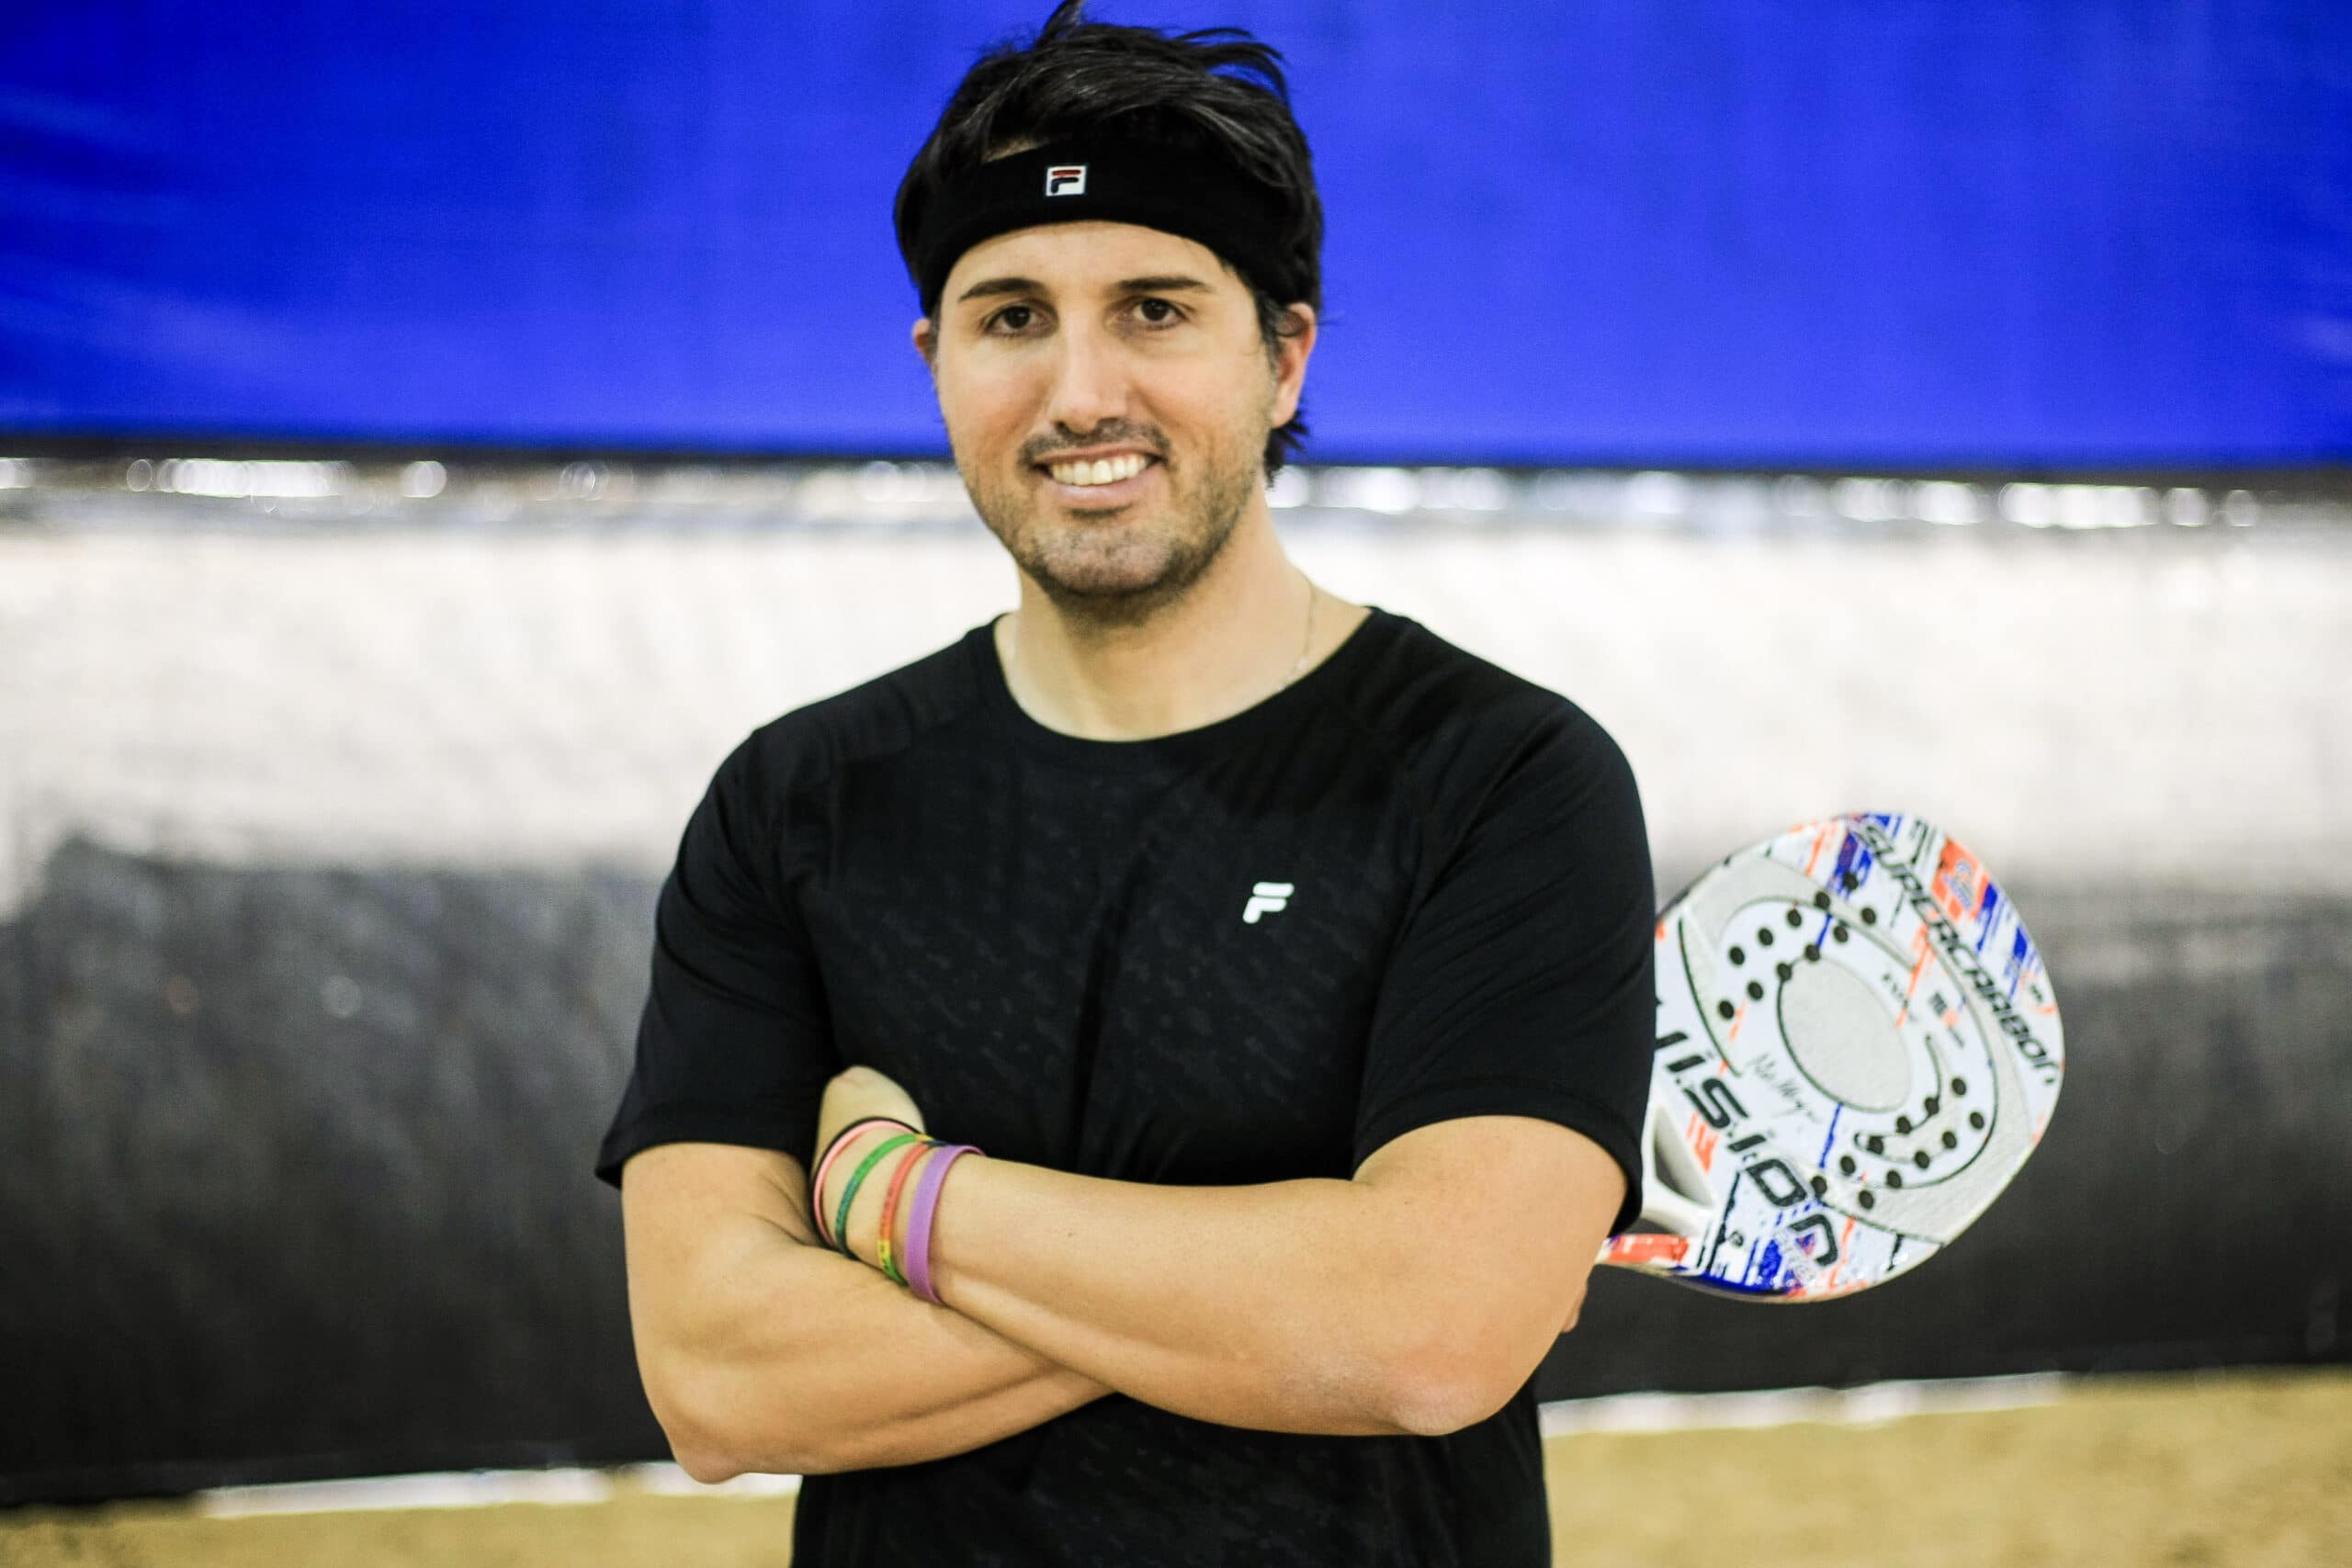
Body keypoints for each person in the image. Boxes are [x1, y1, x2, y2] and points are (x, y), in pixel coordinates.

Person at [593, 5, 1655, 1562]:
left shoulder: (1501, 778)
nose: (1081, 392)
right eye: (1012, 317)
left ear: (1284, 356)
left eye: (1155, 309)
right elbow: (715, 1381)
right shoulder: (797, 803)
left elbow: (1428, 1338)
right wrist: (1306, 1289)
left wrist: (891, 1196)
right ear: (935, 363)